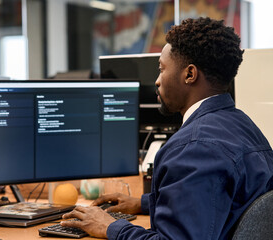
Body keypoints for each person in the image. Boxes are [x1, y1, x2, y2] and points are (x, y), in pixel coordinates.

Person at [61, 17, 273, 239]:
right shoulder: (245, 125)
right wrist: (145, 203)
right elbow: (218, 200)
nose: (157, 81)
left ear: (189, 74)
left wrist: (110, 226)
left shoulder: (193, 149)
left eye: (162, 69)